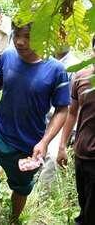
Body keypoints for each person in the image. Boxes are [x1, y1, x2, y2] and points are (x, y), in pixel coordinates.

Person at [0, 23, 70, 223]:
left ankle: (13, 220)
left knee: (21, 187)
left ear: (43, 35)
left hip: (28, 145)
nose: (19, 41)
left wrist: (44, 142)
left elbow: (62, 110)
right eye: (16, 34)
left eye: (28, 37)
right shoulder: (8, 55)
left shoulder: (56, 70)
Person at [57, 36, 95, 225]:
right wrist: (62, 145)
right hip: (81, 153)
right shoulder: (82, 76)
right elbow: (71, 112)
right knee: (83, 201)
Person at [39, 46, 79, 184]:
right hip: (39, 116)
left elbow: (72, 109)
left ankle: (43, 197)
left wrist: (65, 140)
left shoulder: (75, 66)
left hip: (61, 120)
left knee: (52, 157)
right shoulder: (41, 58)